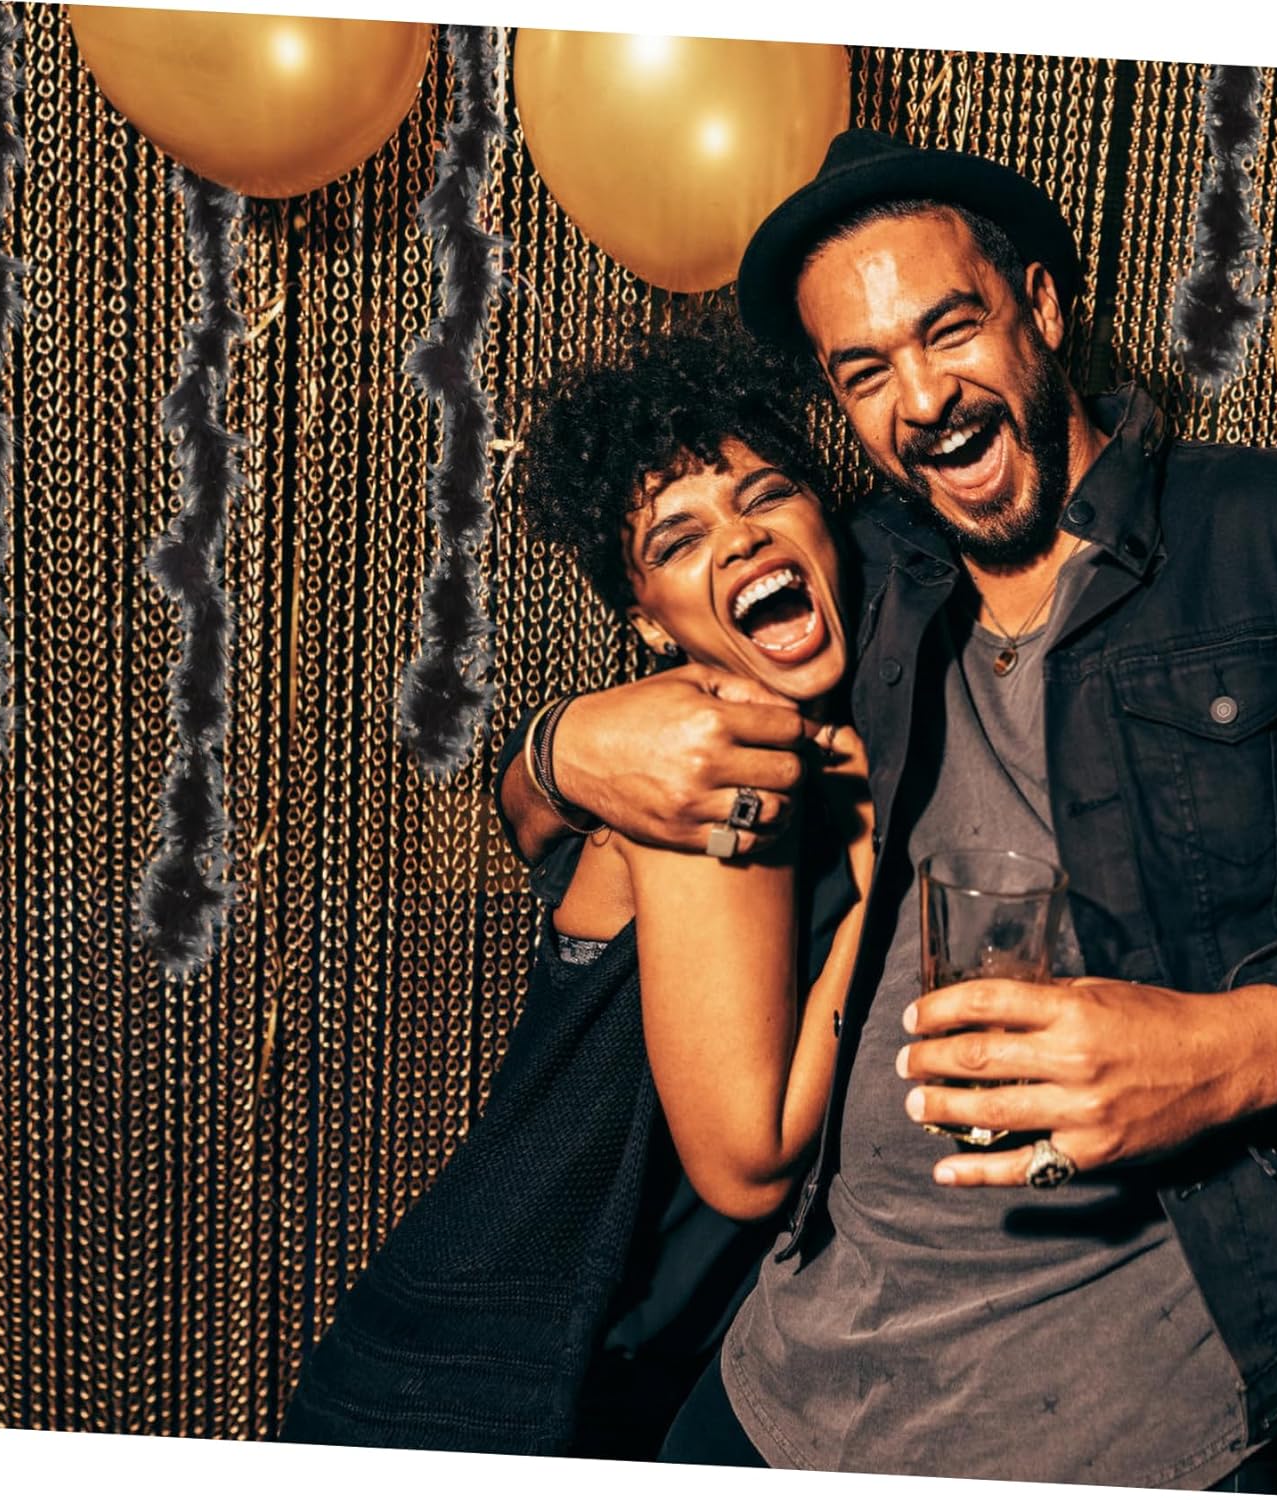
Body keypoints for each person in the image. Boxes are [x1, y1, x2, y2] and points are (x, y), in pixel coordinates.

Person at [498, 130, 1277, 1492]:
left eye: (948, 329)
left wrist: (1235, 1049)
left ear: (1043, 305)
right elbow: (582, 799)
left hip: (1142, 1421)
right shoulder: (866, 577)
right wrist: (556, 748)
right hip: (789, 1382)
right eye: (864, 372)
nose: (921, 397)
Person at [278, 319, 874, 1460]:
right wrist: (900, 882)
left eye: (768, 495)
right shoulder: (696, 766)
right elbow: (747, 1164)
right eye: (682, 538)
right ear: (647, 621)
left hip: (616, 1377)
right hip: (479, 1394)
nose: (744, 539)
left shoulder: (803, 739)